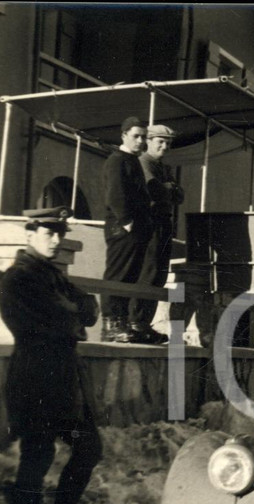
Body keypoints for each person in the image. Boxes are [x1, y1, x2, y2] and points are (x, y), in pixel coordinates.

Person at [0, 207, 104, 504]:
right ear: (29, 234)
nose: (56, 239)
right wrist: (73, 312)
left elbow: (88, 308)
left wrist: (73, 310)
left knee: (88, 446)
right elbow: (55, 321)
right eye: (48, 232)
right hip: (35, 380)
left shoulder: (52, 277)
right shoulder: (20, 278)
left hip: (62, 382)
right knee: (37, 458)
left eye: (60, 233)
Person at [102, 116, 153, 343]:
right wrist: (126, 222)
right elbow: (115, 193)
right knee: (118, 275)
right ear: (124, 136)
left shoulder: (132, 160)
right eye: (136, 136)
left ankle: (122, 324)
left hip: (134, 230)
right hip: (122, 229)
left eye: (143, 137)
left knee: (130, 276)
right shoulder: (117, 160)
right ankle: (111, 325)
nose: (140, 141)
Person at [136, 123, 186, 344]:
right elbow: (155, 189)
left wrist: (168, 189)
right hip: (152, 223)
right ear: (149, 141)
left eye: (167, 143)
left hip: (164, 223)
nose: (164, 147)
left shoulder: (164, 168)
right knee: (148, 272)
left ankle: (146, 323)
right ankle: (137, 322)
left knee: (160, 275)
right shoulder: (144, 162)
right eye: (160, 142)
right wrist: (168, 189)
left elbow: (179, 195)